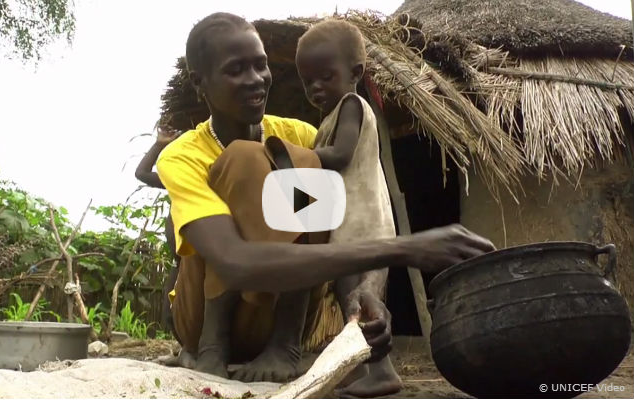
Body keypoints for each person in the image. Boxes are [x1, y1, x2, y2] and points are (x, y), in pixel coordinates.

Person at [156, 12, 495, 398]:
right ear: (200, 83)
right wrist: (409, 248)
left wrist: (362, 294)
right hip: (202, 323)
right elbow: (233, 261)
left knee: (298, 161)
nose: (255, 79)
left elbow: (327, 229)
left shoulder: (300, 134)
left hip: (278, 319)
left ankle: (285, 343)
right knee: (246, 158)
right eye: (236, 70)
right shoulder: (182, 155)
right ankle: (211, 348)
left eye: (260, 65)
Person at [295, 19, 402, 396]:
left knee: (360, 297)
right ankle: (370, 367)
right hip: (350, 223)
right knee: (352, 298)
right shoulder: (331, 115)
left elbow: (340, 156)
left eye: (325, 76)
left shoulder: (352, 105)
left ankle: (382, 371)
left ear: (355, 73)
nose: (315, 88)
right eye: (308, 81)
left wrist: (296, 158)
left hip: (363, 222)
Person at [134, 124, 181, 332]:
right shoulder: (178, 178)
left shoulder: (209, 175)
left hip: (202, 259)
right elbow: (142, 173)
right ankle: (181, 346)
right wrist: (159, 144)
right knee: (171, 311)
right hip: (180, 261)